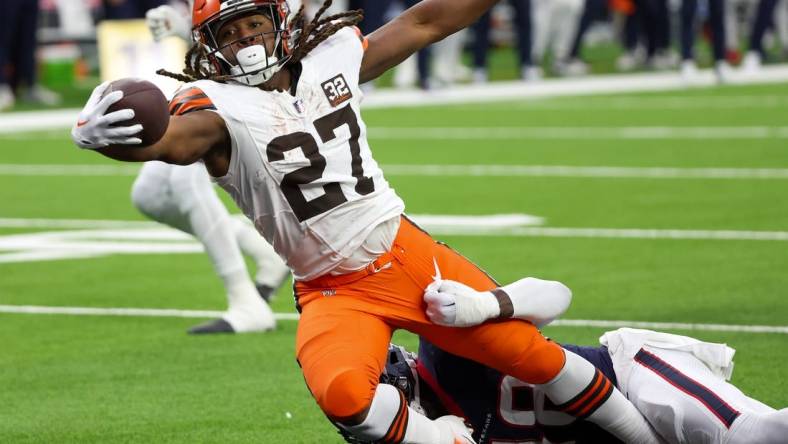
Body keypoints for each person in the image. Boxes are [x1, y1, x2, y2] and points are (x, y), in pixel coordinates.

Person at [70, 1, 663, 442]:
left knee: (537, 359)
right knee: (347, 399)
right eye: (230, 30)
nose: (246, 39)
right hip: (330, 288)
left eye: (253, 23)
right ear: (208, 44)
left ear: (279, 22)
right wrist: (104, 141)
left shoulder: (332, 56)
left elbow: (428, 21)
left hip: (406, 254)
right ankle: (445, 436)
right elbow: (169, 143)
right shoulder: (213, 105)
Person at [347, 277, 788, 444]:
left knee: (755, 435)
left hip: (630, 375)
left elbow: (555, 294)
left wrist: (486, 303)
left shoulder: (444, 348)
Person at [119, 2, 291, 335]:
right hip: (223, 80)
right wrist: (189, 27)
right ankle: (266, 254)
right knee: (149, 194)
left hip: (264, 95)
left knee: (186, 176)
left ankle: (245, 300)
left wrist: (188, 27)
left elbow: (269, 25)